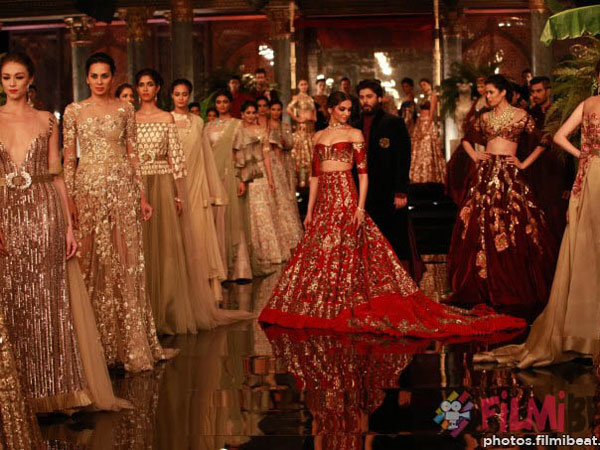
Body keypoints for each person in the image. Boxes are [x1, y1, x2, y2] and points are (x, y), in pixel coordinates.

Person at [259, 91, 525, 338]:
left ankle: (348, 300)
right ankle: (324, 301)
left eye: (349, 109)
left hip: (346, 195)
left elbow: (363, 175)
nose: (346, 113)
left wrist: (359, 207)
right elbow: (315, 176)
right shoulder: (318, 136)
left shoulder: (354, 134)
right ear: (330, 109)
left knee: (350, 249)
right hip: (325, 199)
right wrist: (309, 211)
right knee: (320, 251)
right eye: (342, 109)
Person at [0, 52, 130, 413]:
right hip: (7, 212)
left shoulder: (46, 120)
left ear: (30, 80)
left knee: (49, 300)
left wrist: (70, 228)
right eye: (6, 77)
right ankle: (16, 393)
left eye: (19, 77)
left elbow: (56, 174)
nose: (12, 84)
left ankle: (55, 390)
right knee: (11, 299)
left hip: (45, 212)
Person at [474, 64, 600, 369]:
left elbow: (557, 137)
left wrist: (586, 156)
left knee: (588, 250)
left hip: (593, 174)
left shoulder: (588, 104)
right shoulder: (588, 104)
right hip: (593, 177)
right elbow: (556, 137)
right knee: (589, 249)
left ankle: (584, 332)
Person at [63, 53, 177, 372]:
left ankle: (128, 344)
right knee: (88, 260)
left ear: (113, 77)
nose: (99, 81)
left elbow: (133, 154)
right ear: (86, 78)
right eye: (94, 76)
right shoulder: (74, 111)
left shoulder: (125, 109)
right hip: (87, 188)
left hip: (123, 188)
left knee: (125, 261)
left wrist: (141, 195)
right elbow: (69, 159)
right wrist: (69, 200)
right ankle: (92, 346)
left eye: (104, 75)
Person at [446, 75, 557, 321]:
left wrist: (523, 163)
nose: (487, 97)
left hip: (509, 176)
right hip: (485, 176)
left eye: (491, 92)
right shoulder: (484, 118)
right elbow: (466, 141)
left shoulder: (521, 116)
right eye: (486, 93)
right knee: (479, 226)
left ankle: (511, 282)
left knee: (514, 226)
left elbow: (544, 140)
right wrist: (476, 157)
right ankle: (482, 284)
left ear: (503, 92)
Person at [135, 68, 204, 335]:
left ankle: (167, 309)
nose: (145, 89)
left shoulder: (166, 118)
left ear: (158, 88)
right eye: (141, 84)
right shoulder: (130, 119)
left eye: (150, 84)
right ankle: (144, 310)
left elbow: (176, 157)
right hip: (137, 185)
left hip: (163, 183)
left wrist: (178, 193)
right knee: (140, 248)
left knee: (165, 247)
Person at [356, 79, 423, 280]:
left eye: (369, 97)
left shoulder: (393, 122)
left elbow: (403, 158)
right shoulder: (354, 124)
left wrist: (401, 190)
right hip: (362, 191)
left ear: (379, 98)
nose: (365, 101)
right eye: (362, 97)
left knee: (392, 234)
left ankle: (395, 278)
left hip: (387, 189)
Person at [203, 90, 255, 281]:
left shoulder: (238, 125)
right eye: (218, 102)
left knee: (234, 216)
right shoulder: (207, 126)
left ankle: (239, 269)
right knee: (216, 217)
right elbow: (204, 154)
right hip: (213, 176)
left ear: (230, 103)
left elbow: (243, 152)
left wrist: (242, 179)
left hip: (231, 175)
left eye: (225, 101)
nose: (222, 105)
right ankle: (219, 268)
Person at [240, 100, 287, 273]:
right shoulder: (238, 130)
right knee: (248, 210)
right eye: (248, 112)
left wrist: (270, 177)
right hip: (244, 170)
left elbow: (266, 155)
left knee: (263, 210)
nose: (252, 115)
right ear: (242, 114)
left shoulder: (261, 131)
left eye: (254, 112)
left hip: (260, 172)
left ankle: (269, 252)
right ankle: (250, 253)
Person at [524, 75, 572, 243]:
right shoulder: (531, 115)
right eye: (533, 92)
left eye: (539, 91)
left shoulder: (561, 113)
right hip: (537, 173)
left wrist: (569, 182)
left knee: (558, 220)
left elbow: (568, 148)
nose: (535, 95)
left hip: (557, 172)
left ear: (548, 91)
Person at [446, 76, 489, 206]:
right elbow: (470, 117)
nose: (480, 89)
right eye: (478, 86)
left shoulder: (490, 101)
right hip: (473, 137)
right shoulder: (477, 101)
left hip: (484, 138)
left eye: (483, 86)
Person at [267, 99, 303, 253]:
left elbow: (290, 144)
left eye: (278, 109)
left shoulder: (285, 126)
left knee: (288, 194)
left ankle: (290, 231)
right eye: (273, 109)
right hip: (272, 163)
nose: (276, 112)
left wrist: (283, 142)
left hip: (285, 162)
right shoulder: (265, 126)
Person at [409, 78, 446, 184]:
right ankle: (418, 174)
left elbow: (432, 112)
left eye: (424, 84)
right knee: (418, 147)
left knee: (428, 146)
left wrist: (428, 125)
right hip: (420, 122)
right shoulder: (424, 96)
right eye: (421, 85)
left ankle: (430, 174)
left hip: (427, 122)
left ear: (429, 84)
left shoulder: (433, 96)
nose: (423, 87)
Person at [287, 79, 317, 188]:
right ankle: (302, 182)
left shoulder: (310, 98)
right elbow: (288, 109)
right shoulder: (297, 98)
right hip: (302, 129)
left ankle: (312, 180)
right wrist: (297, 119)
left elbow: (314, 112)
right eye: (301, 84)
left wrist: (313, 118)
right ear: (299, 86)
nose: (304, 86)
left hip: (311, 129)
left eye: (305, 84)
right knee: (302, 155)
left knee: (312, 154)